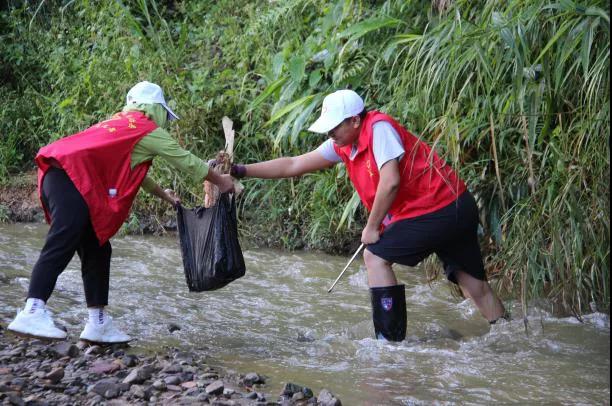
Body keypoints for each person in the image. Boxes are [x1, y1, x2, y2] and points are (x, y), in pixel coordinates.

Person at [230, 89, 506, 341]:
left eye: (335, 127)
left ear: (354, 121)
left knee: (374, 256)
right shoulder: (343, 145)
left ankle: (389, 342)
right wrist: (240, 170)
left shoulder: (379, 129)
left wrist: (372, 227)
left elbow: (390, 181)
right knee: (473, 285)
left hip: (436, 210)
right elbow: (293, 165)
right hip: (456, 204)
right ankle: (508, 334)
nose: (330, 135)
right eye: (328, 130)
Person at [7, 81, 234, 343]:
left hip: (60, 177)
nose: (165, 121)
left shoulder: (117, 125)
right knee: (64, 238)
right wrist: (222, 181)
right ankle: (32, 311)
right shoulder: (147, 129)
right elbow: (186, 161)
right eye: (164, 114)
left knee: (97, 247)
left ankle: (98, 323)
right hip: (70, 179)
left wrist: (163, 194)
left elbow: (137, 173)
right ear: (154, 109)